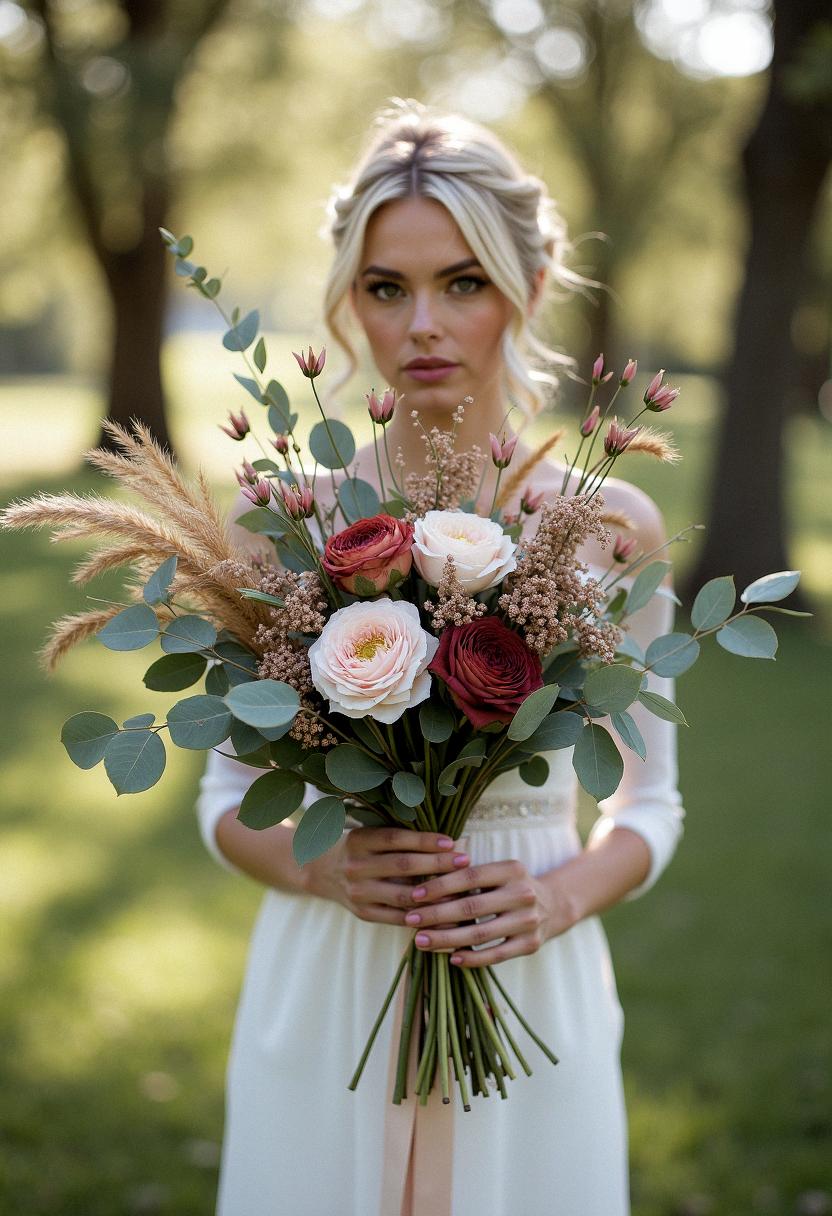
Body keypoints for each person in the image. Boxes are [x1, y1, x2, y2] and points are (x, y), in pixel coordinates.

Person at [196, 101, 685, 1216]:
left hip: (527, 978)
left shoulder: (610, 527)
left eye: (462, 282)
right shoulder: (285, 522)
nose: (422, 322)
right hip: (331, 979)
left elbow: (651, 803)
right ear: (349, 302)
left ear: (529, 282)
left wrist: (553, 901)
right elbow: (223, 797)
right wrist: (316, 864)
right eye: (386, 287)